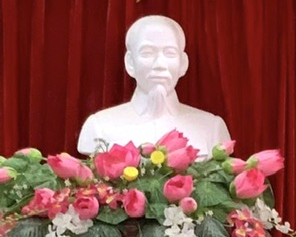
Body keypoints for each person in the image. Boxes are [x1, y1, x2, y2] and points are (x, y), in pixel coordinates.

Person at [77, 15, 231, 158]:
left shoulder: (212, 128)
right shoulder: (99, 127)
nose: (160, 64)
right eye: (147, 53)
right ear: (130, 63)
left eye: (169, 53)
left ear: (183, 63)